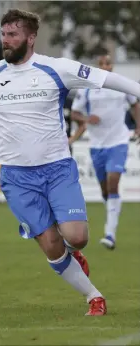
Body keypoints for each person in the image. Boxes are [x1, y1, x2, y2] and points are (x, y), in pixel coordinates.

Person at [0, 9, 140, 316]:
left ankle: (72, 253)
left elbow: (107, 79)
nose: (6, 41)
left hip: (56, 169)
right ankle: (94, 297)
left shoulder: (57, 68)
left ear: (30, 37)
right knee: (51, 243)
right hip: (16, 177)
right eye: (3, 34)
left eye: (13, 35)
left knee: (77, 237)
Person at [70, 52, 140, 250]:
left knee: (113, 182)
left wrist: (138, 126)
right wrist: (85, 119)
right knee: (105, 190)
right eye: (101, 63)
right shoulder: (88, 89)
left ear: (112, 66)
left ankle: (110, 233)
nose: (105, 66)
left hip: (118, 141)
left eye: (108, 63)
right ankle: (113, 210)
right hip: (97, 145)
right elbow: (75, 113)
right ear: (97, 66)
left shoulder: (121, 86)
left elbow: (136, 105)